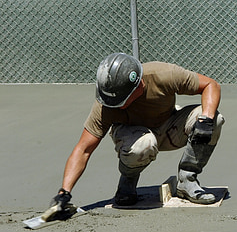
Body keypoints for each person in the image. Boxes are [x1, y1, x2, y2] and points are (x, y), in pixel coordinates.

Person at [49, 52, 224, 211]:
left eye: (120, 100)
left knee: (214, 119)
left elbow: (210, 84)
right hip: (134, 137)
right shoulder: (106, 103)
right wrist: (65, 192)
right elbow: (84, 149)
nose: (115, 104)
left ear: (139, 86)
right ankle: (128, 180)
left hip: (170, 126)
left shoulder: (162, 75)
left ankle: (187, 180)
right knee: (144, 144)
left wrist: (205, 119)